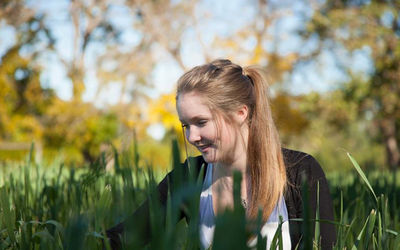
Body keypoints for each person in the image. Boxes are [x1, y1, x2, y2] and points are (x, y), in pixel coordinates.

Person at [105, 59, 336, 249]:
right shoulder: (189, 177)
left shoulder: (300, 172)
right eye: (186, 125)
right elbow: (124, 239)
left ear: (240, 113)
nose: (191, 136)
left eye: (201, 122)